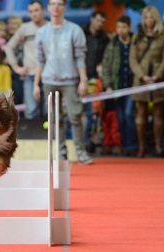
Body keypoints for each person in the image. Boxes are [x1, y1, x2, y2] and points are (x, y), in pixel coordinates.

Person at [34, 0, 93, 165]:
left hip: (70, 80)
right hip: (48, 80)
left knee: (75, 116)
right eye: (52, 3)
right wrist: (35, 84)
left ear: (65, 7)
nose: (56, 7)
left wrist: (83, 80)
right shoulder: (42, 32)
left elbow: (80, 57)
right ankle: (61, 153)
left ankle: (81, 152)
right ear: (48, 7)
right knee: (55, 119)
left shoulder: (74, 30)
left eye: (59, 3)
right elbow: (39, 60)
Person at [129, 6, 164, 158]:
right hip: (141, 79)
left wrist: (158, 76)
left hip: (158, 79)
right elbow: (132, 59)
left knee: (158, 112)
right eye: (146, 18)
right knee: (141, 112)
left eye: (151, 17)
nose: (149, 21)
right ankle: (141, 147)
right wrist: (142, 75)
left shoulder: (163, 36)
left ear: (156, 19)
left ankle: (158, 146)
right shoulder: (137, 36)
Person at [102, 15, 137, 156]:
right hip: (116, 86)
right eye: (118, 27)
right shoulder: (112, 44)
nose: (120, 30)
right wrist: (108, 85)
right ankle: (121, 144)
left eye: (123, 27)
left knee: (129, 114)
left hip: (132, 85)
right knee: (119, 116)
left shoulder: (135, 42)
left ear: (129, 27)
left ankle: (132, 145)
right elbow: (106, 66)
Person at [5, 0, 47, 119]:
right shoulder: (25, 28)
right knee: (31, 110)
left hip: (49, 75)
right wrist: (15, 67)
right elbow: (9, 46)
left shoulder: (51, 27)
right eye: (30, 11)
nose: (34, 14)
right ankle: (33, 137)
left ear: (43, 11)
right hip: (30, 75)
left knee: (49, 110)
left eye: (36, 10)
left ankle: (49, 137)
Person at [82, 11, 109, 153]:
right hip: (79, 79)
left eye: (102, 22)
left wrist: (102, 65)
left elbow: (107, 56)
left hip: (95, 80)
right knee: (74, 114)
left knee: (92, 113)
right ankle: (74, 142)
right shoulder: (81, 33)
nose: (99, 24)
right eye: (98, 20)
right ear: (92, 19)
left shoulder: (105, 38)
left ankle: (88, 142)